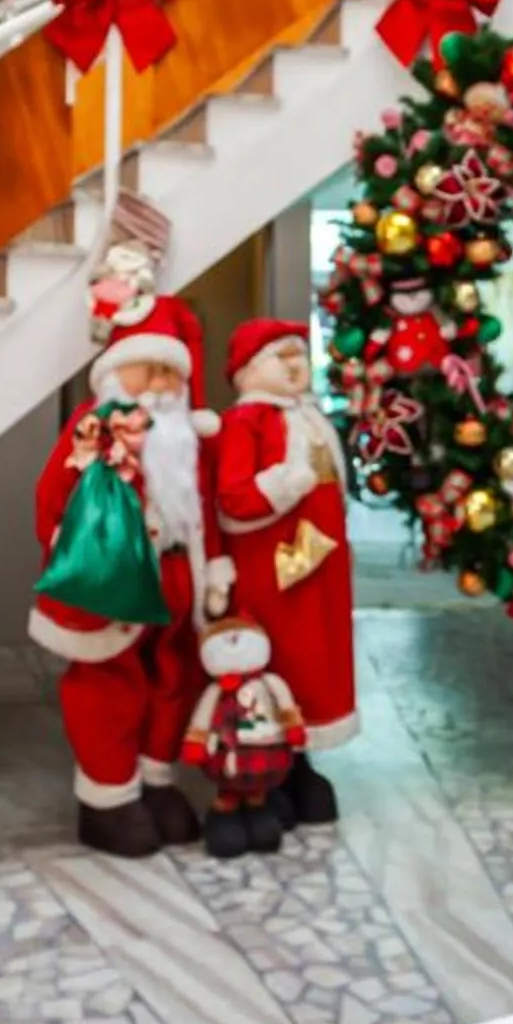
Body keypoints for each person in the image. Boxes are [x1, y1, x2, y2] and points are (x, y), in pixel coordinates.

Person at [29, 311, 229, 857]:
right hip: (115, 582)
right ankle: (108, 796)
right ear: (117, 373)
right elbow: (52, 499)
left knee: (173, 679)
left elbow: (202, 507)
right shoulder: (93, 428)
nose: (163, 386)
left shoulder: (186, 436)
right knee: (109, 684)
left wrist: (215, 569)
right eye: (150, 371)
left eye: (172, 374)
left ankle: (155, 779)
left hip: (176, 578)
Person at [213, 318, 356, 825]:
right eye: (283, 357)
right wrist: (286, 483)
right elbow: (233, 499)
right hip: (271, 567)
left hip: (320, 567)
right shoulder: (246, 422)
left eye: (301, 354)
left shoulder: (309, 417)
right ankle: (269, 766)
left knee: (320, 658)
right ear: (249, 370)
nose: (297, 366)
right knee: (281, 659)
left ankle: (303, 756)